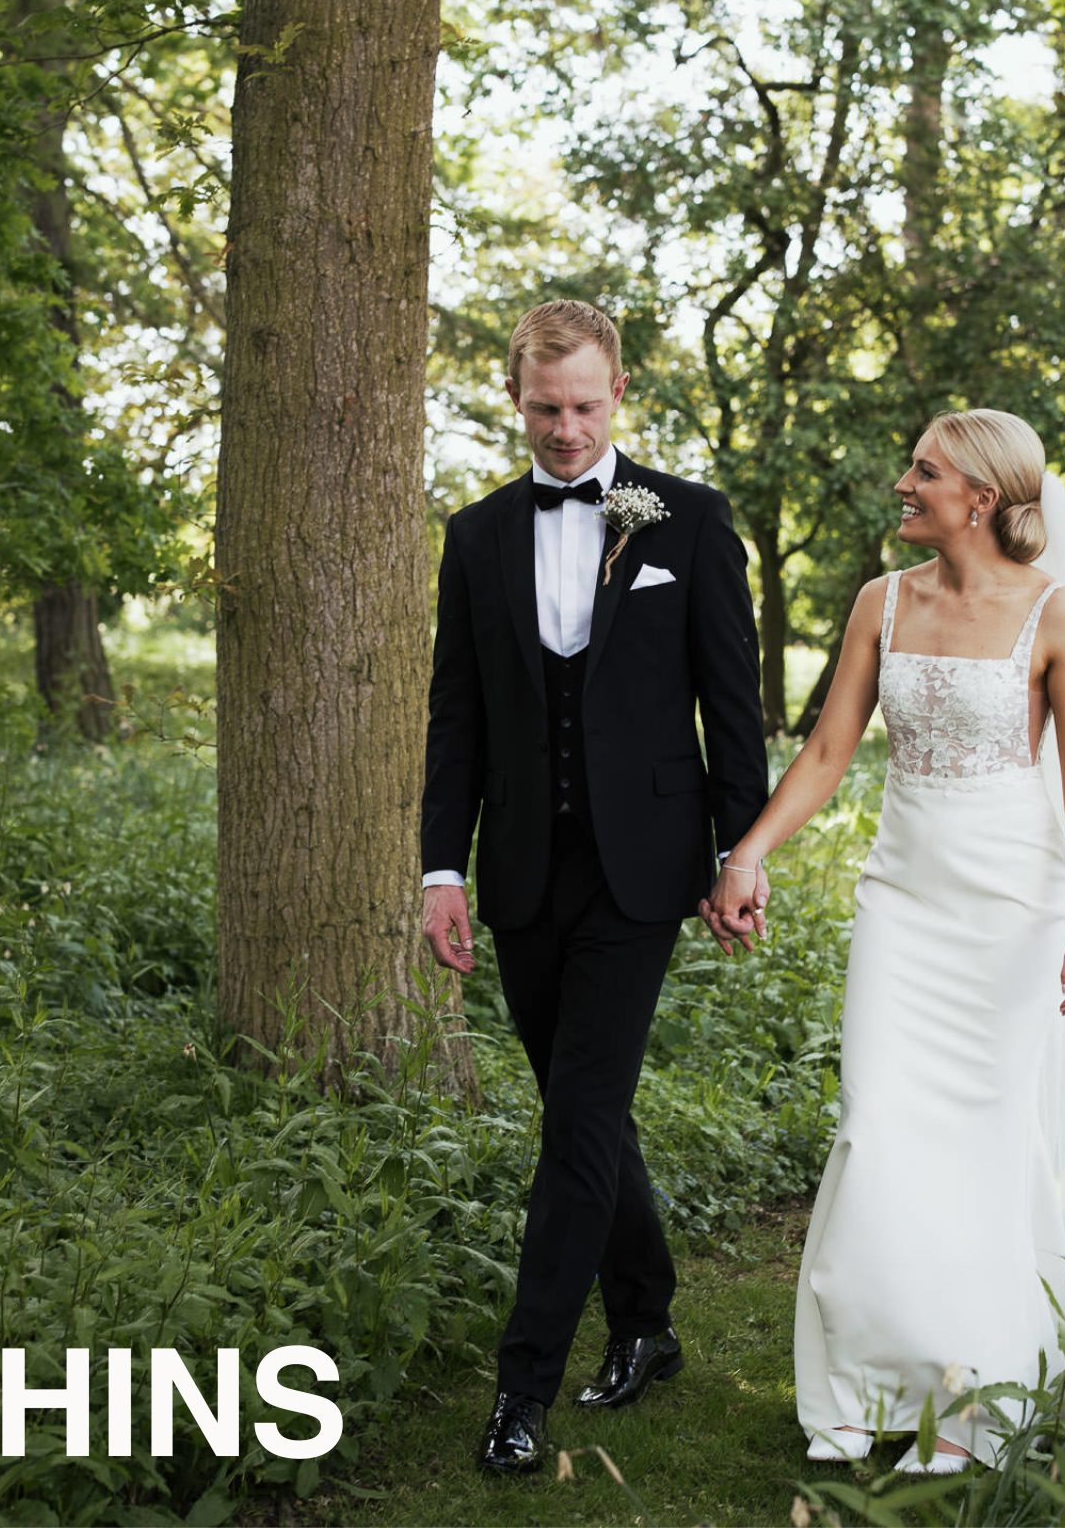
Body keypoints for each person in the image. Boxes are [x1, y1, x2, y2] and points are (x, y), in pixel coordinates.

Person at [704, 408, 1065, 1474]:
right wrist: (747, 854)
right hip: (902, 902)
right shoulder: (883, 601)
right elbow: (828, 748)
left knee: (985, 1146)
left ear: (983, 500)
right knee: (877, 1127)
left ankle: (969, 1396)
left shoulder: (1055, 615)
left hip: (1014, 907)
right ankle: (859, 1387)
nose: (904, 483)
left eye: (926, 470)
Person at [420, 299, 768, 1477]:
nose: (564, 431)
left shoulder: (685, 520)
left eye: (583, 408)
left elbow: (732, 707)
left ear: (618, 394)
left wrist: (738, 852)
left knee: (571, 1124)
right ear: (512, 398)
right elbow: (455, 719)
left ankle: (522, 1390)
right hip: (520, 869)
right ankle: (649, 1319)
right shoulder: (473, 537)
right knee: (589, 1112)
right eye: (542, 408)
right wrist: (439, 868)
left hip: (640, 874)